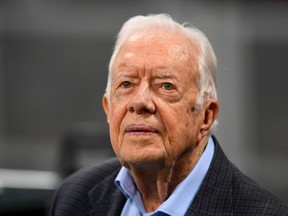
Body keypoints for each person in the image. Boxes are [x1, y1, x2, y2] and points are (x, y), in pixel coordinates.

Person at [49, 14, 288, 216]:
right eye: (126, 84)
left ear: (206, 116)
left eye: (165, 86)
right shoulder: (73, 197)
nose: (140, 103)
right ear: (108, 110)